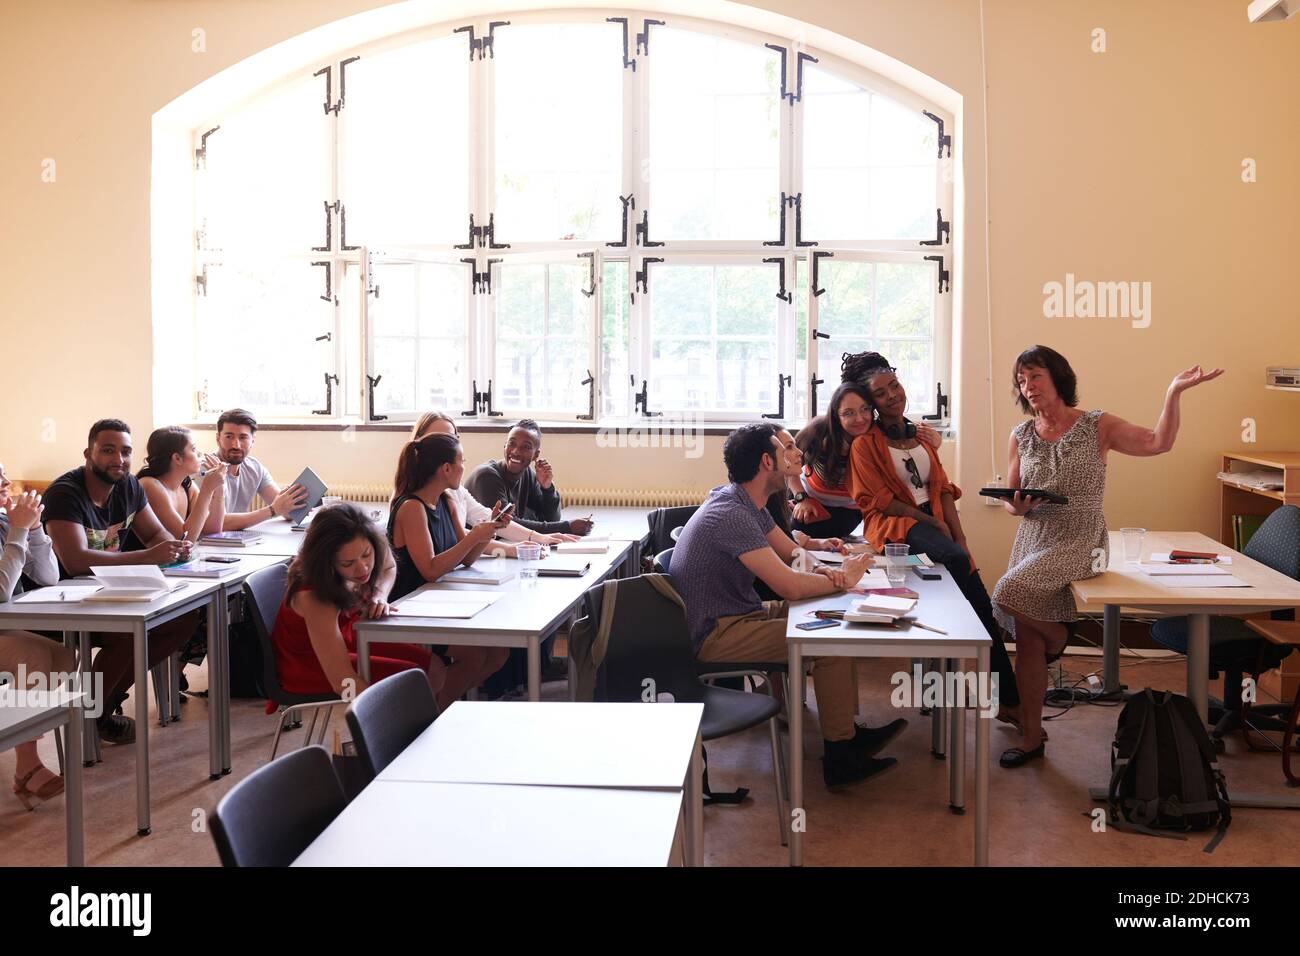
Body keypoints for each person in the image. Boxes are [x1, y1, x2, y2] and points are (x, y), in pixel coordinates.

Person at [991, 346, 1223, 768]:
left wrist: (1173, 392)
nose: (1028, 387)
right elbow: (1012, 497)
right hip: (1032, 538)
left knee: (1006, 591)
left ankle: (1061, 637)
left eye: (1035, 376)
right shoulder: (1020, 435)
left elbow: (1158, 443)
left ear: (1058, 377)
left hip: (1082, 538)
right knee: (1026, 639)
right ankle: (1031, 734)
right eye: (1022, 381)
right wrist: (1017, 506)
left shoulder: (1097, 425)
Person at [672, 422, 906, 789]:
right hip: (717, 633)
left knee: (837, 618)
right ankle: (840, 758)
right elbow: (790, 586)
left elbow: (795, 555)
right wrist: (843, 579)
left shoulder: (744, 500)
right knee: (831, 636)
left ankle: (846, 737)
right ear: (767, 462)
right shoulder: (731, 514)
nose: (798, 454)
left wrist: (837, 579)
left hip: (740, 614)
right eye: (788, 450)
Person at [845, 354, 1022, 731]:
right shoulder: (865, 445)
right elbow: (880, 500)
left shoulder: (923, 437)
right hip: (895, 525)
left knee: (976, 598)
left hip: (933, 528)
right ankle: (1006, 696)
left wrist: (960, 540)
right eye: (881, 392)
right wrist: (930, 523)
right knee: (973, 598)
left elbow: (941, 491)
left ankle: (1005, 696)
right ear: (871, 402)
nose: (892, 395)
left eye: (894, 385)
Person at [41, 420, 200, 743]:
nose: (119, 459)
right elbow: (75, 562)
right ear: (89, 453)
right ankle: (91, 713)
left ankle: (103, 703)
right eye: (108, 450)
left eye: (126, 452)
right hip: (57, 601)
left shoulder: (128, 486)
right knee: (127, 632)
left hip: (108, 593)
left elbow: (154, 533)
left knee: (183, 619)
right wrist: (148, 556)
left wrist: (171, 546)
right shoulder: (64, 493)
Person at [270, 503, 445, 701]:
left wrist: (378, 594)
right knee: (416, 682)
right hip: (310, 665)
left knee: (434, 668)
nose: (363, 568)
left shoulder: (365, 537)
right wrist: (375, 710)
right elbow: (341, 682)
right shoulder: (314, 595)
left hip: (348, 634)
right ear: (328, 563)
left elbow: (388, 566)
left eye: (366, 555)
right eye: (348, 563)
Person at [388, 434, 510, 708]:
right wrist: (472, 536)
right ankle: (436, 715)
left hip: (440, 602)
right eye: (461, 461)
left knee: (499, 652)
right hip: (410, 610)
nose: (463, 467)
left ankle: (439, 706)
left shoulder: (446, 502)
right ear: (445, 468)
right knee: (475, 655)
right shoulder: (411, 508)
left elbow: (466, 559)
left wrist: (488, 530)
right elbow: (430, 569)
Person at [790, 354, 943, 541]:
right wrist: (801, 498)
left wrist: (933, 444)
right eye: (849, 412)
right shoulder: (819, 432)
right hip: (809, 513)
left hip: (849, 520)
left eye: (865, 409)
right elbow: (786, 465)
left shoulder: (883, 435)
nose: (860, 418)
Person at [0, 466, 75, 808]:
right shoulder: (7, 524)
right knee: (30, 657)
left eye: (3, 475)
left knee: (62, 655)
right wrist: (17, 529)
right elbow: (1, 591)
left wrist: (32, 531)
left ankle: (24, 747)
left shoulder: (4, 521)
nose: (5, 483)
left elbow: (48, 577)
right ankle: (27, 766)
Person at [410, 412, 577, 551]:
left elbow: (488, 521)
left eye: (453, 439)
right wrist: (562, 528)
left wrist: (538, 538)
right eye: (440, 439)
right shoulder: (413, 503)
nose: (448, 446)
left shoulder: (454, 493)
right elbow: (434, 566)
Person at [464, 419, 594, 537]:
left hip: (502, 545)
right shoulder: (487, 476)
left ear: (535, 455)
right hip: (475, 554)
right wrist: (567, 527)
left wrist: (547, 488)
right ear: (505, 446)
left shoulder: (527, 474)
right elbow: (507, 526)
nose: (515, 451)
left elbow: (551, 519)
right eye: (512, 443)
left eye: (526, 447)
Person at [206, 408, 307, 531]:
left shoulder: (255, 468)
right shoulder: (206, 469)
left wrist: (294, 503)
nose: (236, 445)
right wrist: (272, 510)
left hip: (236, 542)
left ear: (252, 440)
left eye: (243, 437)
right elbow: (216, 524)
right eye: (229, 437)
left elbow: (283, 509)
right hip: (205, 545)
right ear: (218, 438)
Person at [137, 426, 227, 542]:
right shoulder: (150, 485)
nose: (200, 454)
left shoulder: (187, 487)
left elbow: (212, 531)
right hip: (143, 559)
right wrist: (207, 490)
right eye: (194, 449)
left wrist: (219, 488)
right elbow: (185, 540)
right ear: (177, 458)